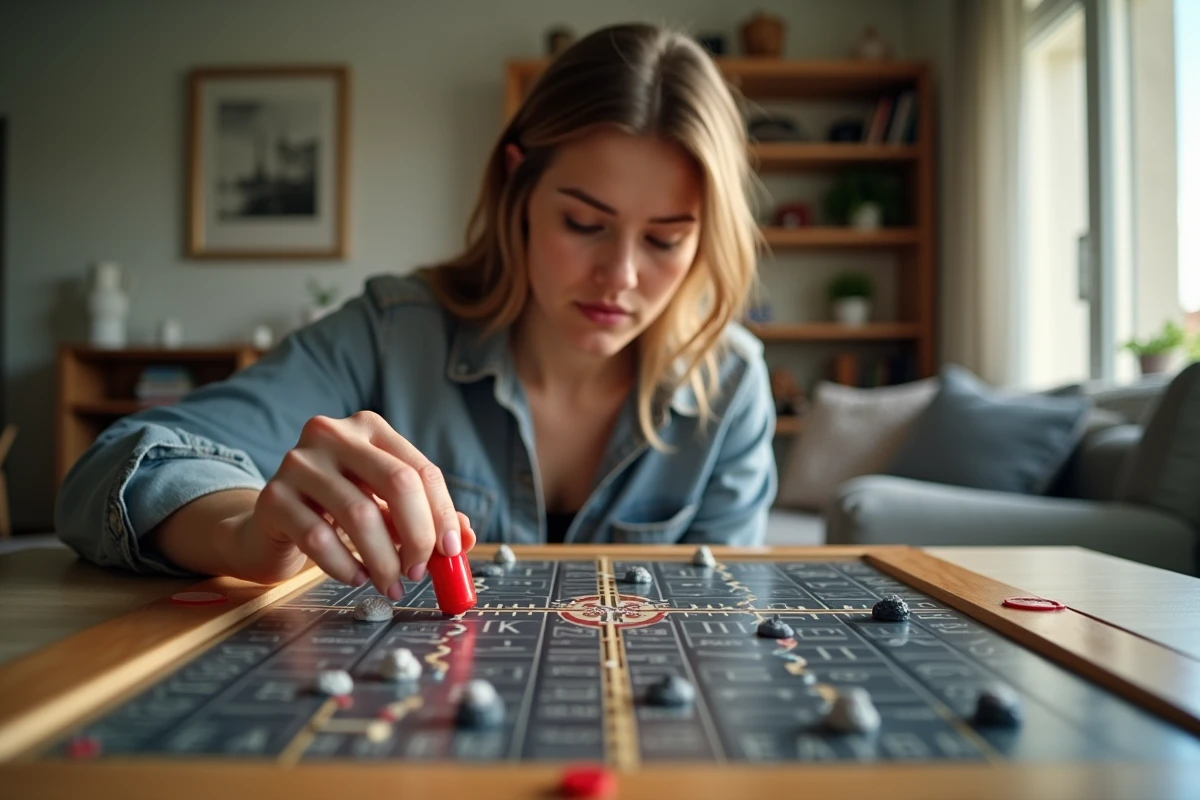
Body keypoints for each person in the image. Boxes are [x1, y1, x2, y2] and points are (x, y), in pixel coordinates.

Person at [55, 22, 777, 600]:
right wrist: (241, 532)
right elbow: (112, 469)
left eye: (666, 239)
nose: (620, 276)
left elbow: (717, 617)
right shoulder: (391, 331)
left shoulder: (733, 387)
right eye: (585, 224)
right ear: (516, 186)